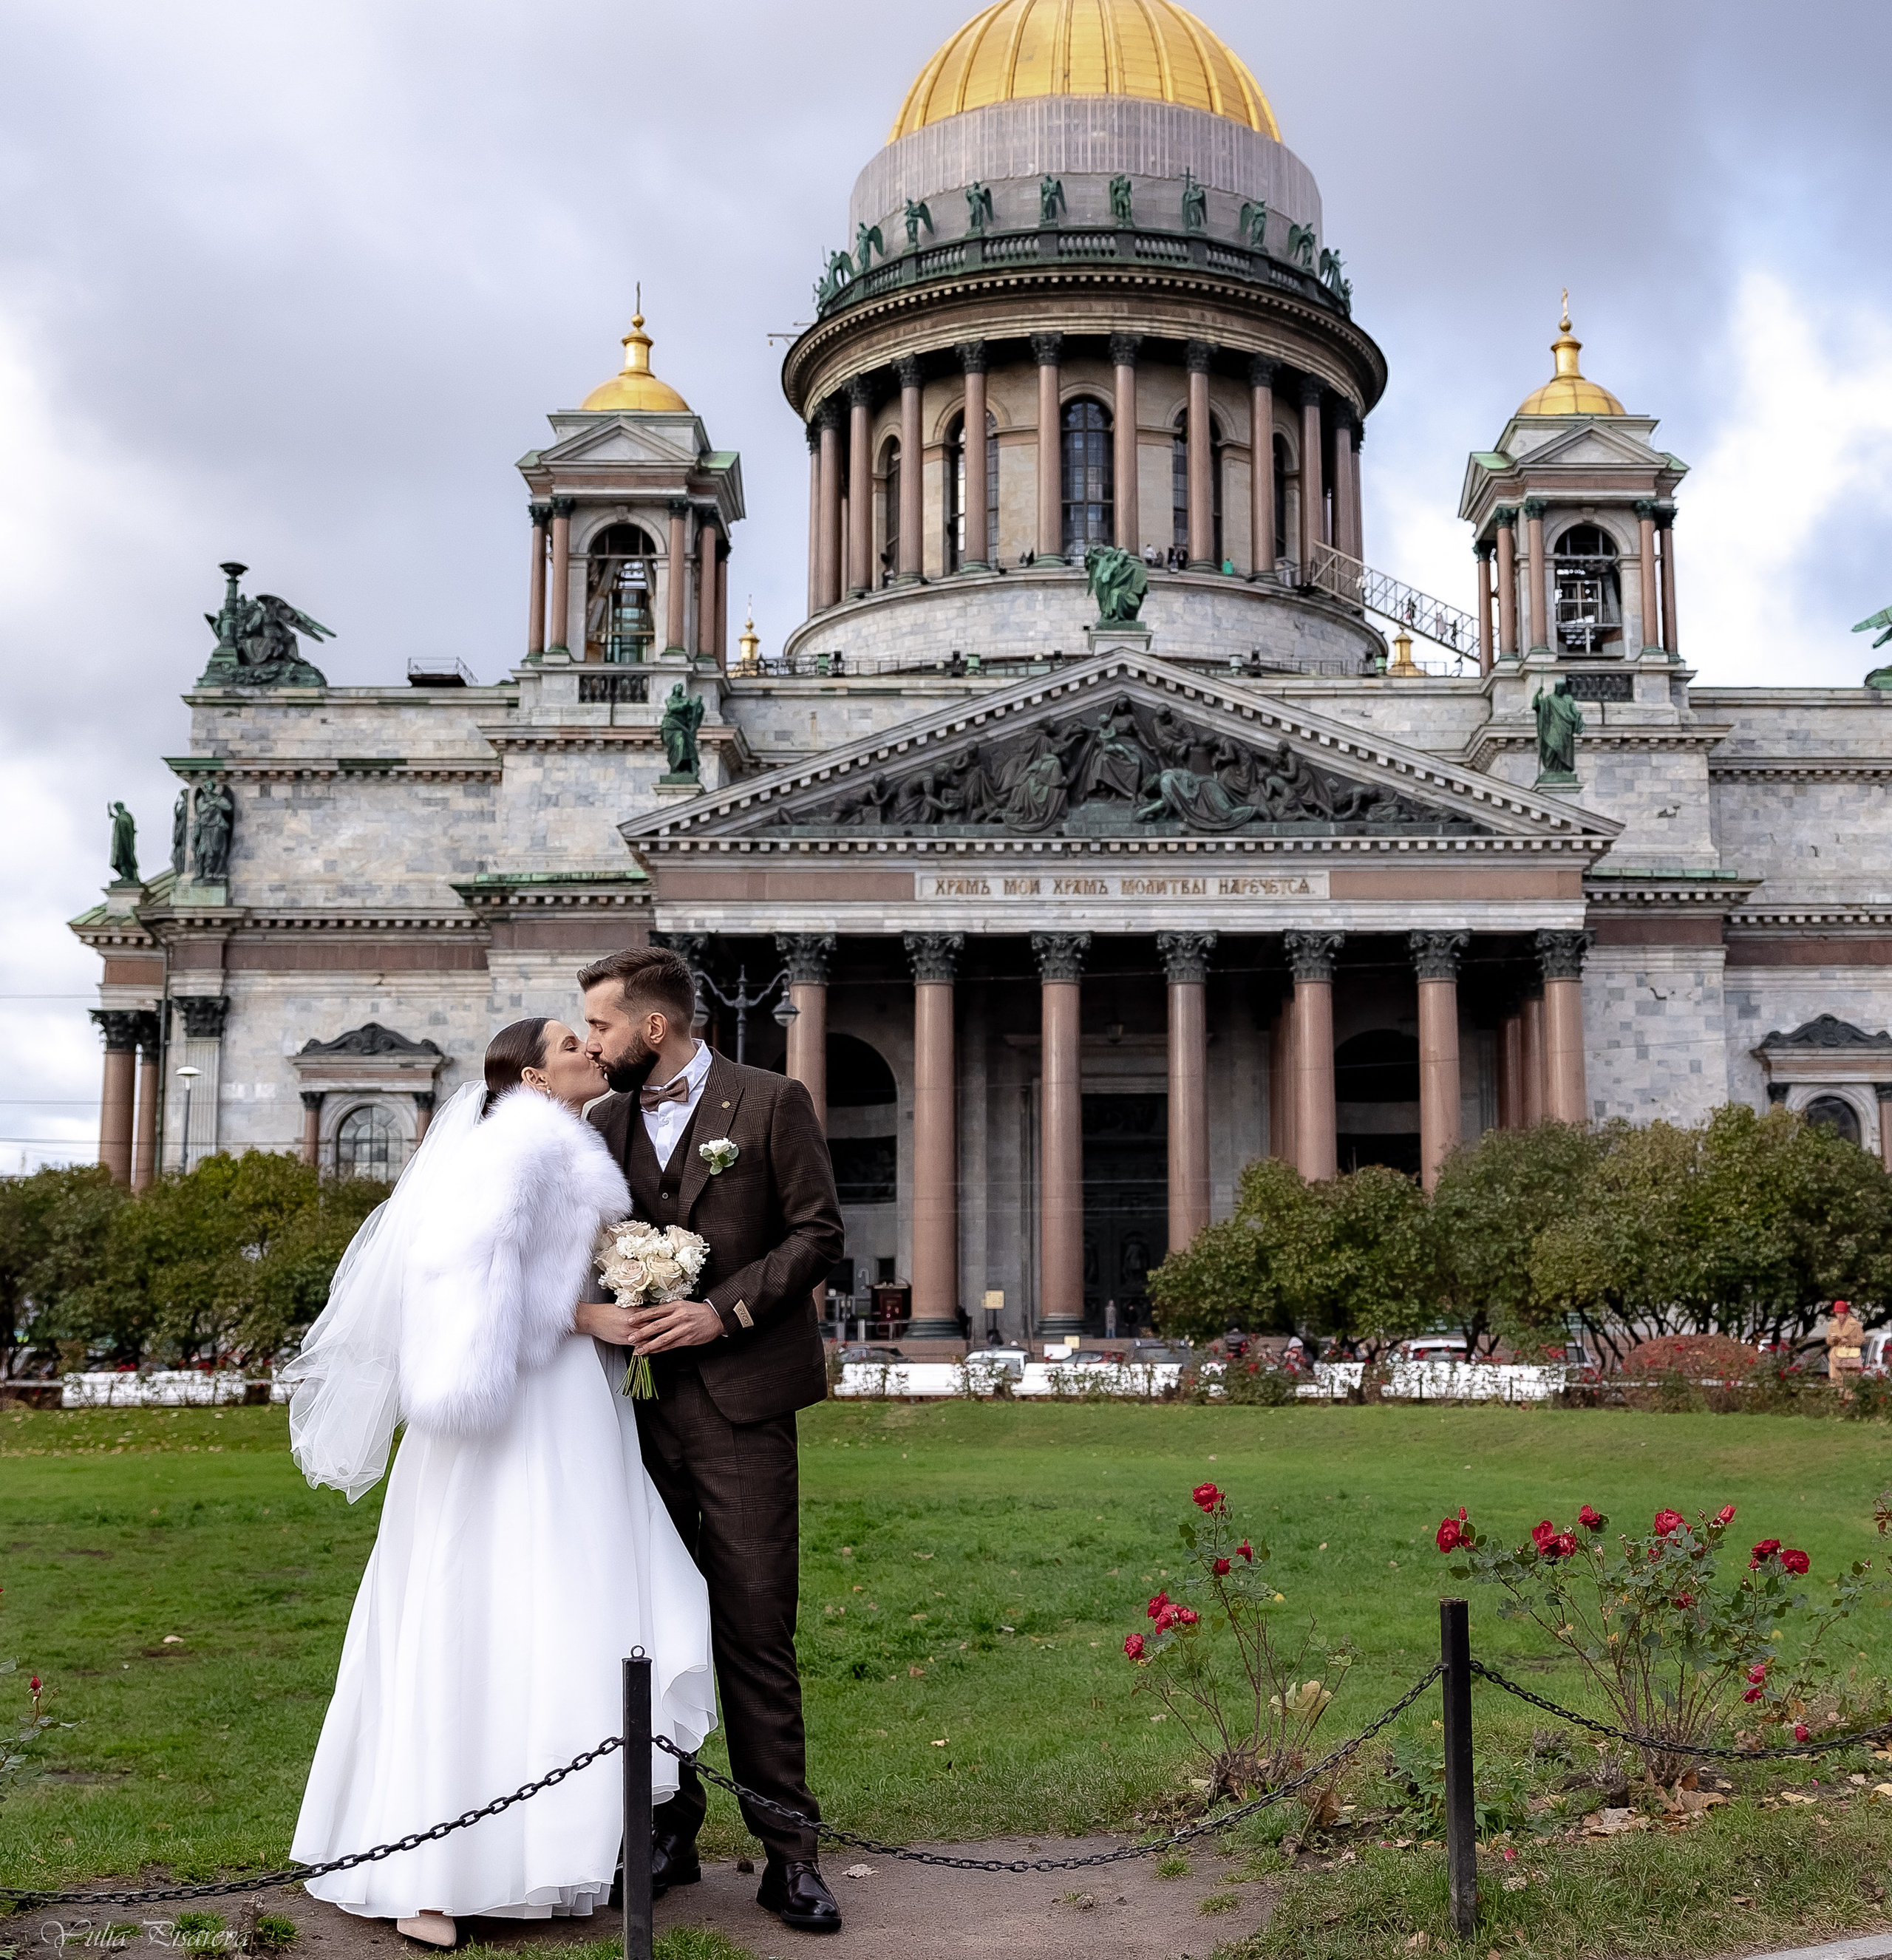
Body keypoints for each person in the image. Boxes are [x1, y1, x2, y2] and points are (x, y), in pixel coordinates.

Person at [288, 1018, 715, 1947]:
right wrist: (591, 1317)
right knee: (485, 1604)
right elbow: (469, 1289)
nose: (590, 1049)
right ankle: (430, 1876)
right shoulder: (520, 1148)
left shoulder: (562, 1147)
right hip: (515, 1410)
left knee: (554, 1606)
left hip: (566, 1401)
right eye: (570, 1043)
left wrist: (623, 1290)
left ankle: (530, 1851)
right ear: (531, 1075)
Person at [579, 947, 846, 1936]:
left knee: (754, 1626)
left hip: (742, 1408)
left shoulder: (771, 1102)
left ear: (655, 1027)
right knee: (646, 1628)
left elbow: (816, 1234)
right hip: (630, 1413)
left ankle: (790, 1856)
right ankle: (667, 1830)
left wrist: (719, 1312)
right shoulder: (601, 1125)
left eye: (603, 1025)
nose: (593, 1044)